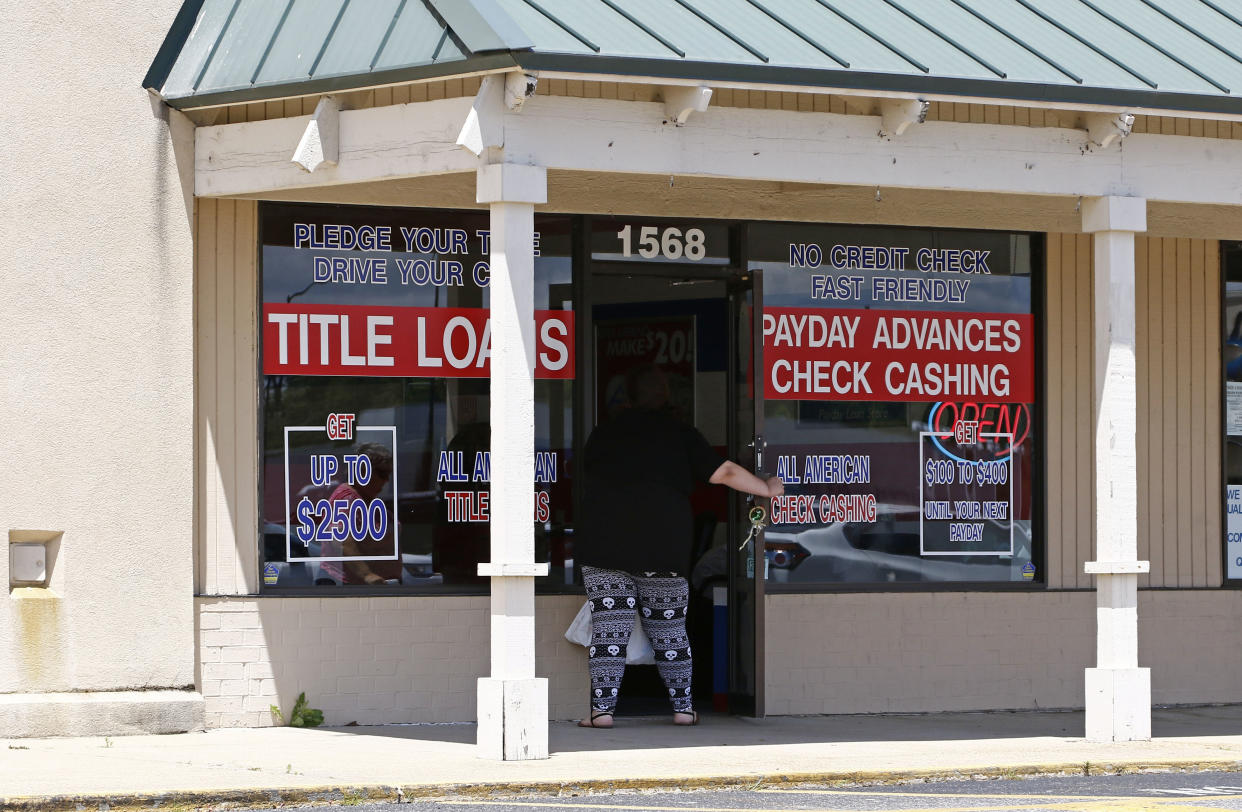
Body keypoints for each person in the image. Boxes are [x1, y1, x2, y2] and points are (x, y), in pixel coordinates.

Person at [576, 364, 784, 728]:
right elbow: (725, 473)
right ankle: (683, 709)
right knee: (669, 631)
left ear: (629, 395)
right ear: (665, 397)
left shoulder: (603, 432)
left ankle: (602, 713)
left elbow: (587, 476)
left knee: (609, 632)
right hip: (663, 547)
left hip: (604, 545)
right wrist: (766, 488)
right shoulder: (680, 433)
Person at [319, 442, 400, 585]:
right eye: (382, 473)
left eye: (389, 474)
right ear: (362, 470)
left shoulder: (368, 499)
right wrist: (367, 575)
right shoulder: (346, 498)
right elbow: (343, 541)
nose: (387, 480)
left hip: (379, 588)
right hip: (353, 588)